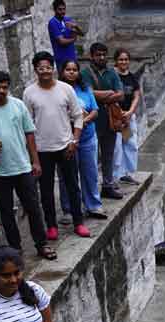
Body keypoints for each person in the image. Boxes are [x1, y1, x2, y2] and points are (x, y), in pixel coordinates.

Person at [0, 70, 50, 257]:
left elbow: (29, 133)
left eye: (5, 87)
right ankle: (15, 248)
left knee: (33, 207)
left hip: (22, 166)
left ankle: (41, 243)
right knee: (6, 213)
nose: (1, 91)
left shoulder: (18, 105)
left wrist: (35, 161)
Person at [24, 50, 87, 245]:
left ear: (53, 68)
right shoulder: (29, 93)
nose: (45, 71)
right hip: (43, 150)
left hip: (65, 146)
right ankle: (51, 225)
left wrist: (74, 141)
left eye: (48, 67)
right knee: (46, 190)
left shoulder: (65, 89)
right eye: (41, 68)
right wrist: (33, 156)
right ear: (36, 70)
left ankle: (79, 221)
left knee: (72, 186)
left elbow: (77, 116)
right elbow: (28, 125)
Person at [59, 60, 107, 221]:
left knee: (90, 172)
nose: (71, 72)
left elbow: (95, 110)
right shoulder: (58, 91)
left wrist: (83, 122)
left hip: (87, 137)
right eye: (68, 69)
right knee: (68, 175)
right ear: (62, 71)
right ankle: (69, 209)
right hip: (66, 139)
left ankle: (93, 205)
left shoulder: (85, 89)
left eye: (74, 70)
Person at [81, 42, 124, 199]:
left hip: (109, 119)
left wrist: (103, 95)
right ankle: (91, 191)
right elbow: (89, 94)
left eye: (104, 54)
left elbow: (121, 94)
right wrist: (109, 93)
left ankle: (107, 185)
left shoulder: (111, 73)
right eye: (98, 55)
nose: (101, 57)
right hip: (92, 120)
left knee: (108, 154)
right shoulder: (85, 74)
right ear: (92, 56)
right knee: (92, 157)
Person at [112, 49, 143, 185]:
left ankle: (127, 173)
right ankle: (115, 176)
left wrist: (130, 112)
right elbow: (111, 96)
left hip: (128, 117)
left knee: (131, 145)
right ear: (116, 61)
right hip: (116, 117)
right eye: (121, 59)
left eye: (125, 59)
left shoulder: (131, 77)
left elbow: (136, 96)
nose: (123, 62)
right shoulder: (112, 76)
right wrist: (120, 114)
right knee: (117, 148)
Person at [47, 0, 82, 69]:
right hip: (62, 59)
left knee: (74, 78)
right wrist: (73, 39)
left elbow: (81, 34)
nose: (62, 11)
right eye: (60, 9)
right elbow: (61, 41)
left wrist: (76, 26)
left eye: (64, 9)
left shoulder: (67, 19)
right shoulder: (53, 23)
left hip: (72, 56)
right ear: (55, 10)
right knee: (63, 79)